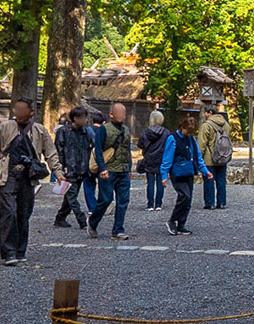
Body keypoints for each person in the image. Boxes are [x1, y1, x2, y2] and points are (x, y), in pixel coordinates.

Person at [0, 98, 64, 266]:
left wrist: (58, 173)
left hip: (28, 176)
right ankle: (9, 252)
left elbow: (50, 153)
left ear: (31, 112)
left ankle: (21, 250)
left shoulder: (39, 130)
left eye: (22, 110)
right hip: (8, 175)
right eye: (16, 109)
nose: (18, 113)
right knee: (8, 213)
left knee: (24, 213)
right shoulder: (4, 128)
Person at [159, 111, 211, 235]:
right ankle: (172, 220)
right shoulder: (172, 139)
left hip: (188, 171)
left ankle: (181, 224)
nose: (189, 133)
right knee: (184, 196)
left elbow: (198, 157)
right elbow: (167, 158)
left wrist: (205, 171)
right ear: (181, 127)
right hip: (177, 173)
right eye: (187, 131)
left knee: (188, 200)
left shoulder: (191, 140)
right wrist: (164, 175)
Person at [86, 102, 132, 240]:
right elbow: (98, 150)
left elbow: (127, 150)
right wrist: (102, 168)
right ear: (111, 114)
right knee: (105, 200)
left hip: (123, 170)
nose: (121, 116)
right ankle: (93, 222)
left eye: (123, 113)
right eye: (118, 113)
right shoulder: (104, 129)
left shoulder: (126, 130)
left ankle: (118, 229)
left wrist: (129, 168)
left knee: (123, 200)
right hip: (109, 170)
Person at [52, 107, 95, 229]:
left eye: (85, 117)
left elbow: (91, 148)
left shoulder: (86, 132)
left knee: (71, 196)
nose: (84, 120)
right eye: (82, 117)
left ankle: (60, 218)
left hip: (82, 167)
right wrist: (60, 169)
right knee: (72, 196)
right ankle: (82, 220)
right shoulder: (64, 131)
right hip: (68, 168)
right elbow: (59, 151)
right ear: (74, 118)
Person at [198, 104, 233, 209]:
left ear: (210, 113)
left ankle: (210, 203)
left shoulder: (206, 125)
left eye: (206, 112)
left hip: (210, 158)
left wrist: (199, 158)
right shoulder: (225, 124)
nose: (205, 114)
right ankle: (221, 202)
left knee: (209, 180)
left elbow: (202, 143)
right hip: (223, 156)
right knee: (221, 181)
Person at [139, 109, 169, 211]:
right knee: (160, 182)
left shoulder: (145, 132)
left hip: (149, 159)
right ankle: (159, 204)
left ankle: (150, 204)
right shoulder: (166, 133)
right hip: (161, 159)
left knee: (150, 183)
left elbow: (140, 145)